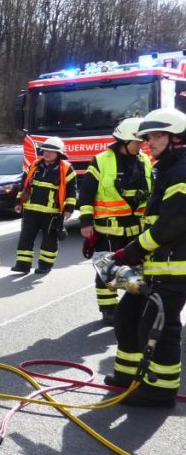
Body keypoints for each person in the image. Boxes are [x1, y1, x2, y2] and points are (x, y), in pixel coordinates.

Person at [107, 108, 186, 408]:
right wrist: (136, 253)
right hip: (156, 264)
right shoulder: (166, 167)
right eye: (147, 137)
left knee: (161, 328)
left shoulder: (182, 170)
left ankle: (160, 393)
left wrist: (133, 250)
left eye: (156, 136)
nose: (149, 143)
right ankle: (127, 377)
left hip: (175, 267)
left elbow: (173, 223)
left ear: (176, 138)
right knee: (127, 317)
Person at [78, 118, 152, 324]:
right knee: (107, 270)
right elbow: (86, 193)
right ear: (124, 141)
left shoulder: (144, 160)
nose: (142, 145)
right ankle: (108, 309)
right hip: (108, 229)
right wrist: (85, 222)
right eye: (138, 142)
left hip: (136, 227)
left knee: (136, 270)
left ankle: (133, 307)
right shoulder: (101, 160)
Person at [11, 137, 77, 275]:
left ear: (59, 153)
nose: (47, 153)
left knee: (49, 240)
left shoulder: (66, 169)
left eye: (52, 152)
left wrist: (68, 209)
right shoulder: (33, 166)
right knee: (25, 237)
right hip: (30, 210)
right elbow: (23, 186)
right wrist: (19, 202)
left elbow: (72, 192)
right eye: (46, 150)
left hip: (52, 213)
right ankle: (22, 265)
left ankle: (45, 265)